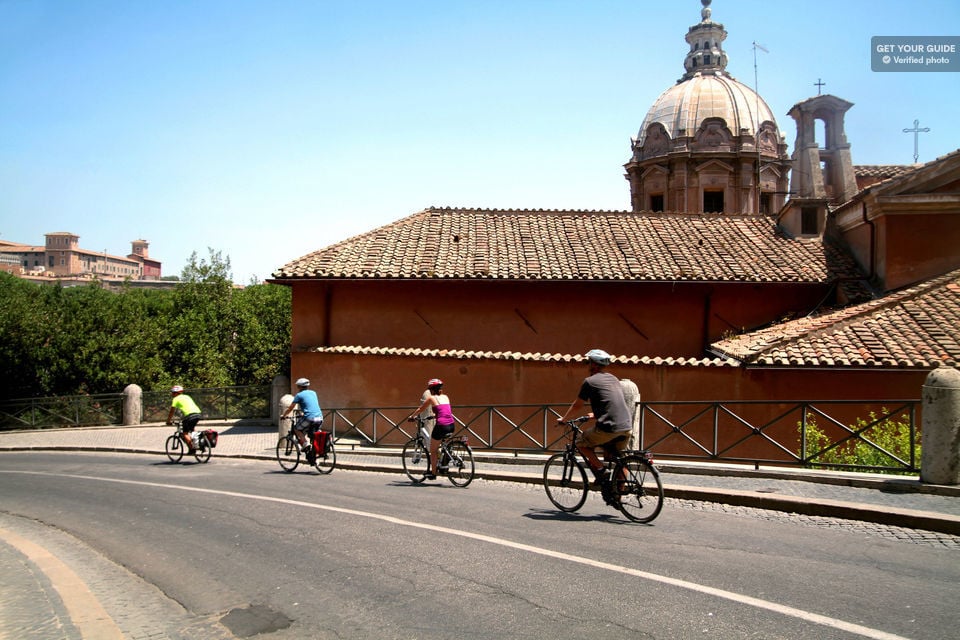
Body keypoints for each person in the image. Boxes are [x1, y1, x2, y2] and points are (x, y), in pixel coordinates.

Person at [556, 349, 633, 499]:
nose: (587, 365)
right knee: (618, 458)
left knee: (581, 443)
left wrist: (563, 419)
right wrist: (596, 415)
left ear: (593, 364)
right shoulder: (613, 378)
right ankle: (617, 494)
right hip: (626, 426)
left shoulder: (589, 382)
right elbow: (612, 403)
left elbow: (577, 405)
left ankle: (601, 469)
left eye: (588, 362)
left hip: (609, 428)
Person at [407, 378, 455, 480]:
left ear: (432, 390)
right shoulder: (446, 397)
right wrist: (435, 416)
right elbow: (443, 411)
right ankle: (444, 464)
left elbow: (420, 409)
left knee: (433, 450)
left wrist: (411, 417)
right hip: (451, 425)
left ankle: (433, 473)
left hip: (441, 426)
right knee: (443, 446)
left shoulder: (431, 398)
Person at [281, 378, 324, 463]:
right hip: (319, 417)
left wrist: (284, 415)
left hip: (309, 417)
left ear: (299, 386)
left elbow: (291, 408)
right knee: (314, 434)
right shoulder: (313, 393)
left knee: (297, 429)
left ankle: (305, 443)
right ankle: (314, 454)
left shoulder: (299, 395)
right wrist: (302, 413)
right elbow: (310, 405)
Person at [166, 385, 203, 452]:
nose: (172, 394)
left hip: (189, 416)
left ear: (176, 393)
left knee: (184, 433)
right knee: (192, 428)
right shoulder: (187, 396)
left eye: (173, 392)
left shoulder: (175, 399)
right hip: (197, 414)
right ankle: (197, 442)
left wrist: (168, 421)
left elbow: (172, 411)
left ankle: (193, 447)